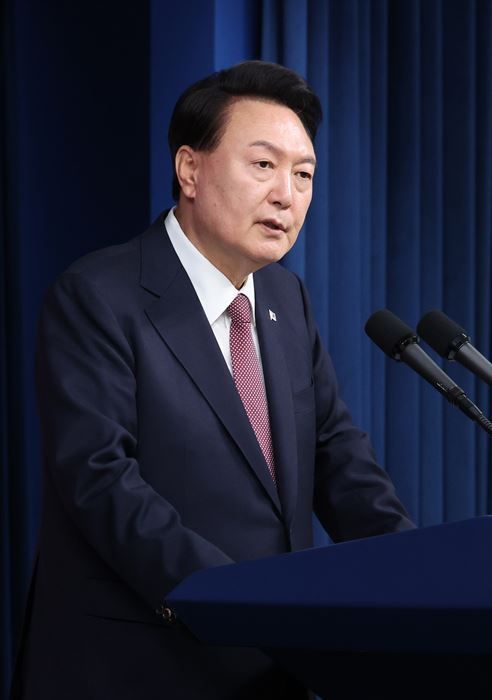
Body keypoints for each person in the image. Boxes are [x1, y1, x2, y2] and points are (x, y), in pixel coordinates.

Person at [12, 61, 414, 700]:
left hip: (271, 668)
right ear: (190, 169)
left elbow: (338, 457)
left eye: (304, 174)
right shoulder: (97, 295)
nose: (286, 194)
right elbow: (100, 480)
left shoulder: (285, 299)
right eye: (264, 165)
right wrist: (237, 601)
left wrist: (415, 574)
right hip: (138, 666)